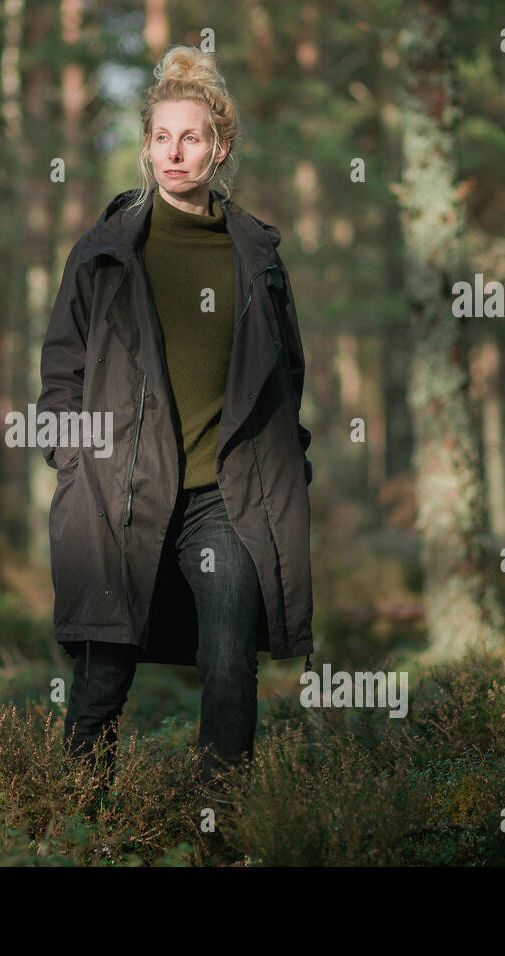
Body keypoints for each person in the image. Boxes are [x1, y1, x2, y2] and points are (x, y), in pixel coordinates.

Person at [37, 43, 316, 795]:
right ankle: (75, 822)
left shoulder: (255, 254)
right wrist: (74, 461)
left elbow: (285, 373)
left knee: (229, 665)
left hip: (222, 499)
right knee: (102, 673)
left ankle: (219, 825)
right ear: (146, 145)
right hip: (117, 492)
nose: (174, 151)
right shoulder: (105, 250)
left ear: (219, 147)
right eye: (161, 136)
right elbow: (61, 367)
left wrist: (290, 463)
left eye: (190, 137)